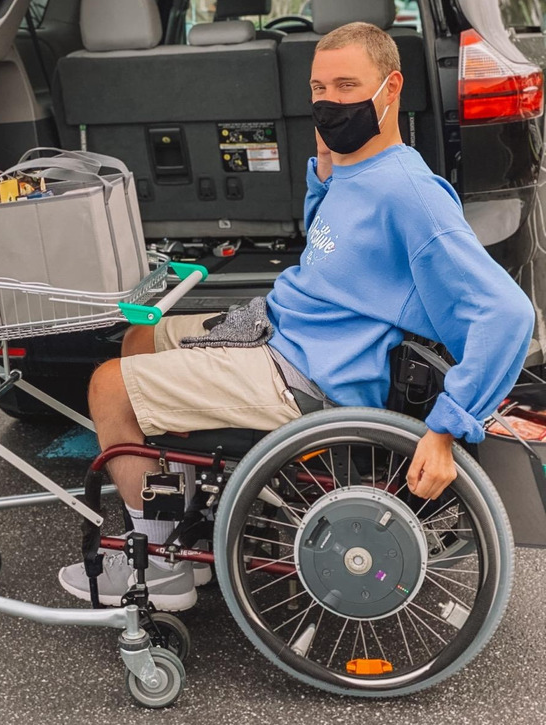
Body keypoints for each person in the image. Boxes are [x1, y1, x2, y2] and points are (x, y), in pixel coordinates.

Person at [59, 21, 535, 611]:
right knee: (141, 335)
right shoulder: (354, 167)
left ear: (391, 89)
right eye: (318, 89)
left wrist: (445, 430)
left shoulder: (408, 192)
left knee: (110, 387)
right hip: (289, 332)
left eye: (346, 85)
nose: (329, 103)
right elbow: (332, 254)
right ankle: (183, 519)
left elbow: (507, 312)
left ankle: (158, 567)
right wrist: (324, 177)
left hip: (314, 374)